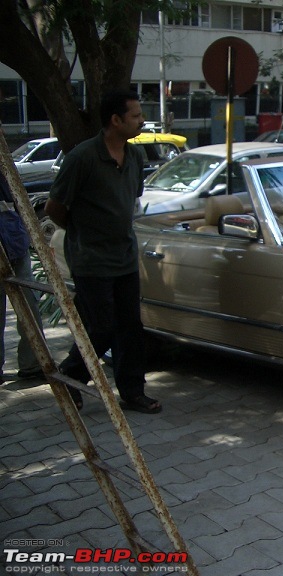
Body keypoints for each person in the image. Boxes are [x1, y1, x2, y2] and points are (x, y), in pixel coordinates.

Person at [45, 89, 161, 413]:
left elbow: (131, 198)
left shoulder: (135, 156)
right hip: (91, 259)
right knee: (100, 327)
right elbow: (54, 207)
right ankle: (72, 375)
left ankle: (133, 391)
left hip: (124, 256)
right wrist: (82, 230)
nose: (142, 120)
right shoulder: (82, 157)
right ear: (116, 120)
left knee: (130, 328)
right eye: (136, 116)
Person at [0, 171, 44, 381]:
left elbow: (19, 203)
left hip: (16, 244)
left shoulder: (5, 169)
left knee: (29, 305)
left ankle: (33, 363)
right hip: (11, 241)